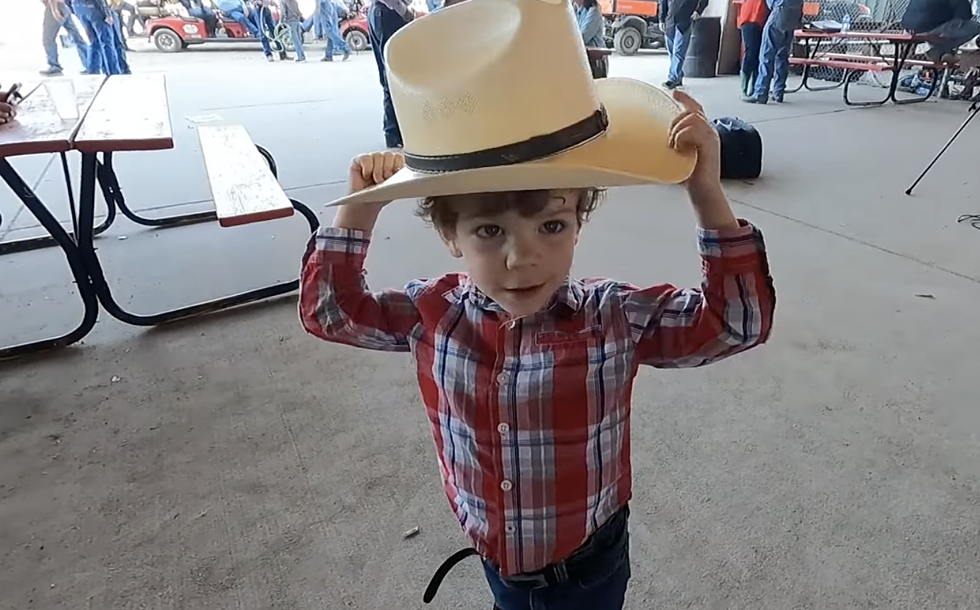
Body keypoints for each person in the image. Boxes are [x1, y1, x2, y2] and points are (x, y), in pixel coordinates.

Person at [299, 1, 776, 608]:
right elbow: (330, 312)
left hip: (589, 566)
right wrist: (359, 209)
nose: (522, 260)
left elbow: (737, 323)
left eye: (550, 227)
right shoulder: (432, 315)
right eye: (489, 232)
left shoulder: (612, 319)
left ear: (580, 219)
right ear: (449, 235)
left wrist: (706, 193)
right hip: (496, 558)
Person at [367, 0, 413, 148]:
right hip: (389, 12)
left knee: (387, 73)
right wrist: (404, 11)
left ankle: (393, 132)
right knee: (394, 75)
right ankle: (394, 133)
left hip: (379, 11)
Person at [744, 0, 803, 103]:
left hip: (780, 8)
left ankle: (760, 93)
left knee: (766, 53)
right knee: (782, 54)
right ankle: (778, 92)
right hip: (795, 11)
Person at [901, 0, 980, 62]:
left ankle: (942, 52)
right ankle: (940, 50)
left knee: (942, 28)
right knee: (975, 27)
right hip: (930, 29)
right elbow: (964, 15)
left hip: (909, 29)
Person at [660, 0, 708, 89]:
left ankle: (672, 79)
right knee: (672, 53)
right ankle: (678, 77)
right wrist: (661, 19)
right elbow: (663, 2)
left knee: (678, 52)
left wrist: (698, 11)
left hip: (684, 22)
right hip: (670, 21)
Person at [68, 0, 123, 75]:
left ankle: (93, 71)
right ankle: (113, 72)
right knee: (106, 42)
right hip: (93, 6)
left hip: (77, 6)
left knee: (93, 41)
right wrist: (106, 14)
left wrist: (73, 10)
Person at [40, 0, 90, 76]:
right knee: (76, 37)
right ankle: (88, 62)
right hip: (63, 7)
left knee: (48, 39)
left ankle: (54, 65)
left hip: (55, 7)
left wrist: (54, 10)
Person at [737, 0, 769, 97]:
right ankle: (745, 88)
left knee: (759, 54)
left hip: (762, 18)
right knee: (751, 52)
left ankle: (754, 87)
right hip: (750, 18)